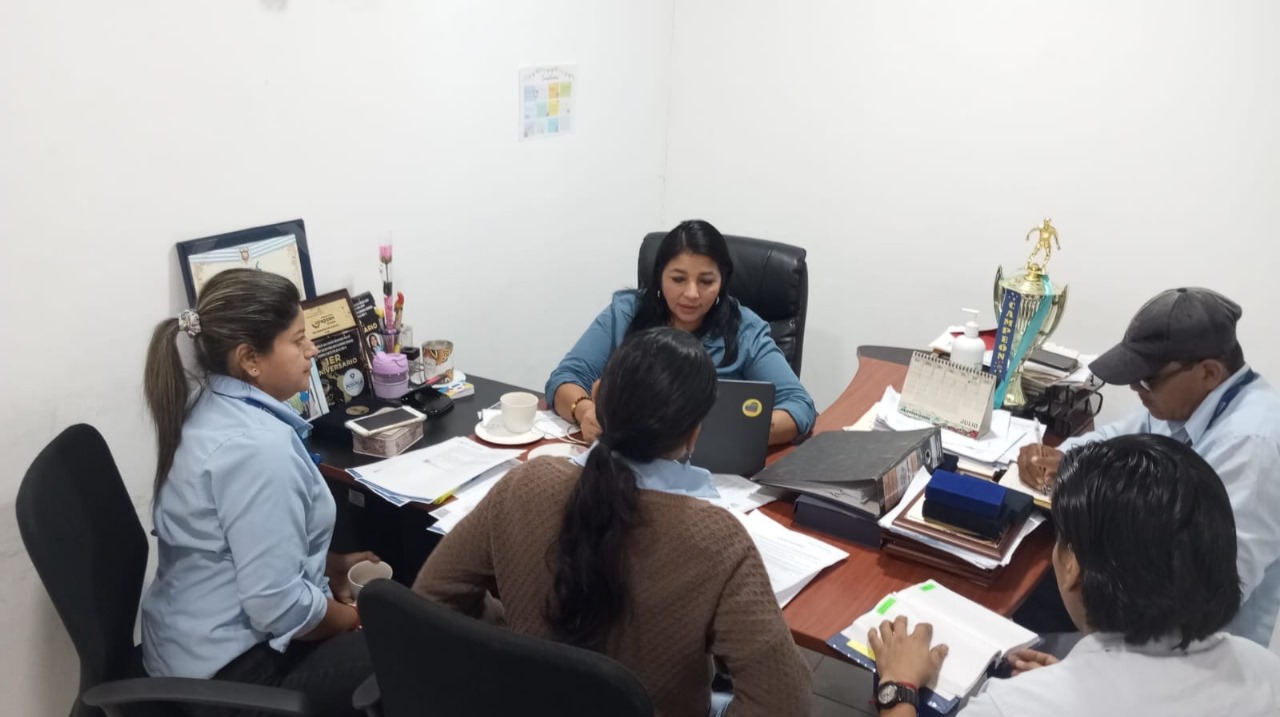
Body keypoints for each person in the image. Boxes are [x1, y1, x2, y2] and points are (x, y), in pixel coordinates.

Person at [416, 327, 812, 717]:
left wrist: (516, 641)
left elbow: (431, 598)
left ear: (599, 398)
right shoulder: (717, 540)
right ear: (694, 435)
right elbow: (784, 703)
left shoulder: (525, 484)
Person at [869, 435, 1280, 716]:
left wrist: (899, 687)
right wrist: (1069, 680)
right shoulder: (1264, 672)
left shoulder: (1010, 708)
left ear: (1072, 567)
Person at [141, 269, 375, 716]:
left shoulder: (209, 405)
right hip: (228, 677)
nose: (312, 349)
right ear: (250, 358)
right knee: (409, 649)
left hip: (182, 648)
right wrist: (359, 618)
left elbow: (236, 544)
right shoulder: (258, 450)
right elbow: (278, 608)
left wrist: (328, 565)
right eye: (298, 340)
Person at [1015, 287, 1280, 645]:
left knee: (1036, 590)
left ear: (1209, 373)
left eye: (1147, 379)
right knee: (1031, 578)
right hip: (1147, 603)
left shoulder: (1254, 445)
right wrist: (1062, 457)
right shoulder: (1185, 403)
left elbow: (1211, 589)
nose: (1136, 389)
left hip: (1194, 647)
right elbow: (1114, 438)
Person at [546, 219, 817, 446]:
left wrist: (741, 432)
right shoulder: (626, 313)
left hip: (712, 468)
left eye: (706, 281)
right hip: (627, 461)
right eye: (678, 279)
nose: (691, 294)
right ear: (659, 276)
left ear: (722, 282)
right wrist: (585, 411)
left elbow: (799, 404)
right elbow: (565, 378)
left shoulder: (745, 330)